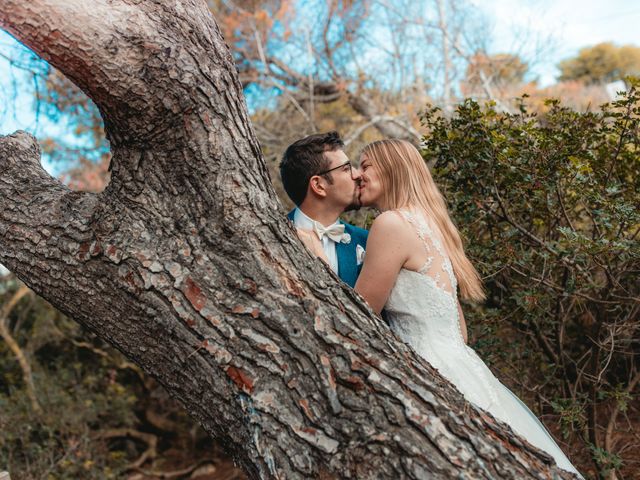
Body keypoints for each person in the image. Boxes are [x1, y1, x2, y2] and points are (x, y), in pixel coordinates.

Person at [354, 139, 582, 477]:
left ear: (392, 168)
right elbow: (461, 330)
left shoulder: (391, 224)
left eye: (366, 164)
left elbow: (361, 310)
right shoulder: (430, 225)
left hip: (427, 367)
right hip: (462, 363)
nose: (358, 174)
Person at [280, 131, 368, 288]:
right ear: (319, 185)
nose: (358, 175)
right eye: (346, 168)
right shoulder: (274, 238)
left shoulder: (367, 241)